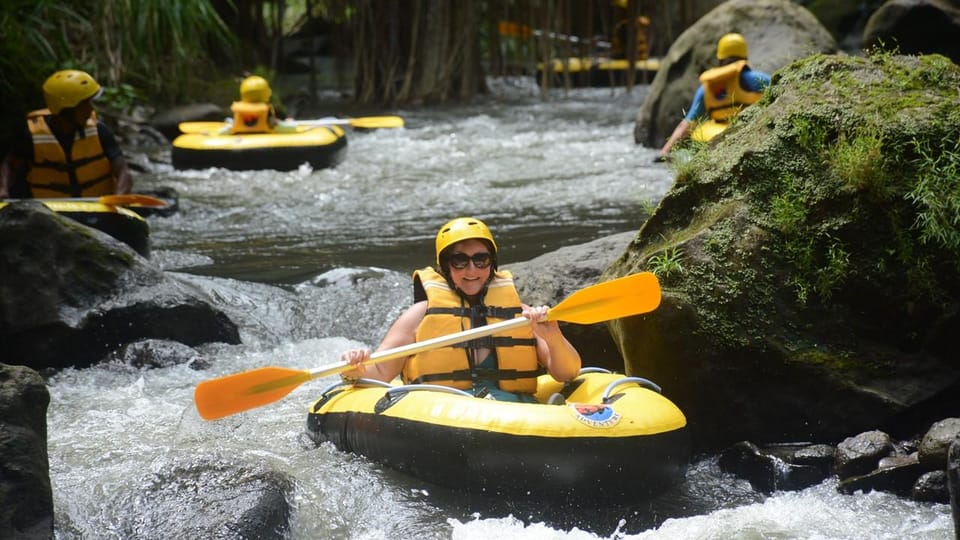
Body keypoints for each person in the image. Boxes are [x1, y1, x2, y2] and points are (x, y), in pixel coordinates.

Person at [340, 217, 582, 403]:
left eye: (481, 260)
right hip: (448, 416)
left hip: (515, 414)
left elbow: (567, 372)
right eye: (459, 261)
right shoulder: (419, 314)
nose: (471, 270)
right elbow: (381, 372)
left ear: (492, 263)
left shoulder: (521, 315)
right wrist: (354, 368)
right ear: (445, 267)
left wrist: (553, 336)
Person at [0, 69, 132, 199]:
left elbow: (123, 171)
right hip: (50, 210)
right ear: (66, 110)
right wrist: (3, 189)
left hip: (97, 208)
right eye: (85, 104)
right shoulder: (30, 137)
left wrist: (119, 198)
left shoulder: (100, 131)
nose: (91, 109)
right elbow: (9, 166)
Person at [655, 33, 771, 161]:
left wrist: (665, 152)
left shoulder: (706, 88)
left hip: (715, 138)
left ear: (720, 59)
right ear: (745, 56)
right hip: (748, 134)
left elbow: (687, 124)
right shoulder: (757, 79)